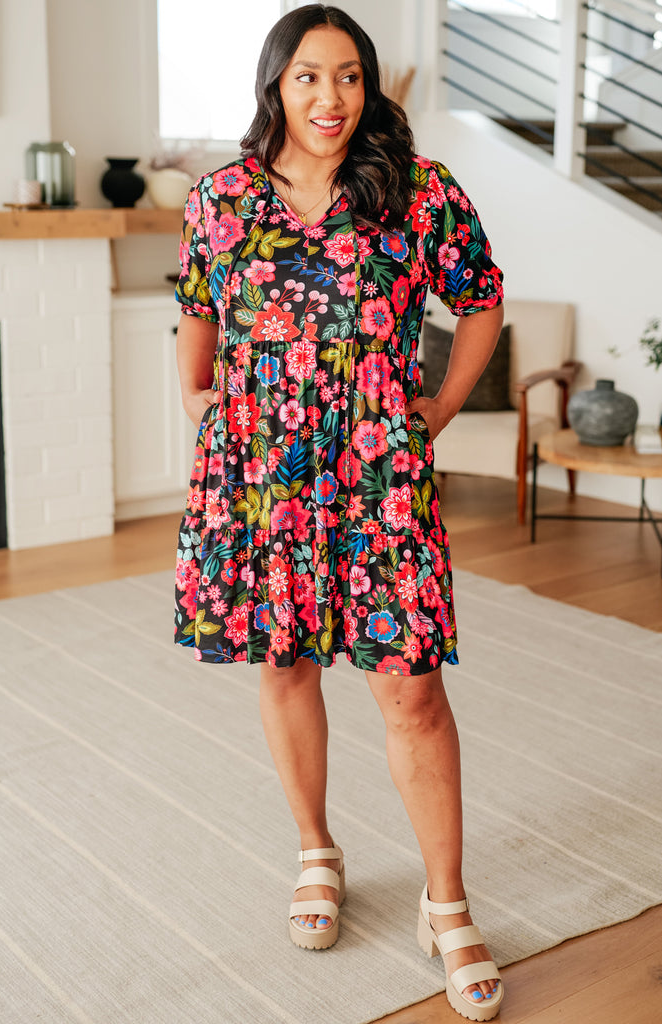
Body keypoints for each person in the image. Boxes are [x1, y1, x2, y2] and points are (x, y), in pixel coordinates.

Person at [174, 5, 504, 1020]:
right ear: (276, 85)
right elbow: (196, 311)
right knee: (285, 664)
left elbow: (481, 299)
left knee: (412, 691)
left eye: (350, 76)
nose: (332, 97)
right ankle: (316, 851)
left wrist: (437, 409)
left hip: (377, 474)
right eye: (310, 77)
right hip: (262, 474)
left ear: (369, 86)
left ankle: (445, 903)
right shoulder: (221, 198)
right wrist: (201, 405)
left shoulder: (418, 190)